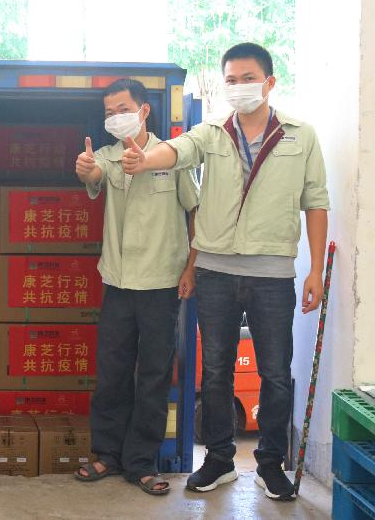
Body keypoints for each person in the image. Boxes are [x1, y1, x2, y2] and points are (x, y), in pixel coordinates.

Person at [121, 43, 329, 501]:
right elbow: (177, 151)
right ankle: (218, 460)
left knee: (275, 372)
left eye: (247, 78)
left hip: (273, 273)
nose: (238, 87)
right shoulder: (212, 132)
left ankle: (270, 464)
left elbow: (316, 202)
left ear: (269, 82)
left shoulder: (300, 135)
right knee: (215, 371)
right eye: (231, 80)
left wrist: (315, 269)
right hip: (215, 270)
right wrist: (145, 159)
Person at [73, 79, 199, 495]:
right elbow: (94, 172)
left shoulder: (172, 156)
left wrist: (192, 268)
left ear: (144, 111)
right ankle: (107, 454)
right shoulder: (106, 156)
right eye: (109, 112)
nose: (115, 118)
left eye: (123, 109)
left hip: (162, 283)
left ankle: (142, 462)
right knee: (112, 372)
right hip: (118, 282)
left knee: (154, 375)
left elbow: (196, 211)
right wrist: (86, 168)